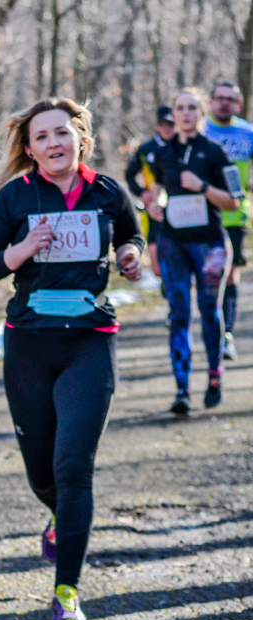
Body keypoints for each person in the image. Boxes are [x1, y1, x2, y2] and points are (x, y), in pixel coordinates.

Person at [0, 98, 144, 620]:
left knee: (73, 468)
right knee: (42, 471)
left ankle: (66, 591)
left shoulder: (108, 191)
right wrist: (21, 251)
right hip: (30, 344)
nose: (54, 143)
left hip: (90, 339)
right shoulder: (15, 197)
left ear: (81, 139)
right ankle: (56, 515)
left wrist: (132, 256)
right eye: (42, 137)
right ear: (30, 148)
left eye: (63, 134)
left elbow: (132, 235)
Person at [147, 88, 240, 413]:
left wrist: (201, 186)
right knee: (179, 315)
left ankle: (215, 376)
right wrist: (154, 207)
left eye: (191, 108)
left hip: (210, 243)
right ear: (174, 113)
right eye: (180, 108)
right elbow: (156, 191)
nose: (185, 114)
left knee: (208, 311)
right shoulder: (162, 153)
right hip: (173, 243)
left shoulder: (215, 152)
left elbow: (234, 200)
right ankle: (182, 390)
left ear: (200, 113)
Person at [204, 81, 253, 360]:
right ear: (211, 101)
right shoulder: (200, 130)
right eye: (220, 98)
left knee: (231, 274)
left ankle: (226, 336)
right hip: (201, 214)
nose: (224, 103)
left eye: (230, 99)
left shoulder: (248, 133)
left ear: (239, 103)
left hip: (235, 216)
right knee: (206, 275)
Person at [125, 106, 176, 270]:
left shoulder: (182, 146)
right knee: (157, 262)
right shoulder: (146, 149)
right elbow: (129, 175)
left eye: (170, 124)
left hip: (179, 204)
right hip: (154, 207)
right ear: (157, 126)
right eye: (163, 124)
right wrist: (142, 193)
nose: (167, 128)